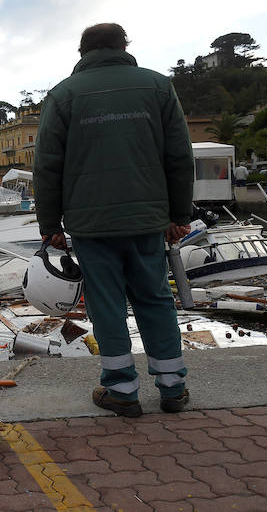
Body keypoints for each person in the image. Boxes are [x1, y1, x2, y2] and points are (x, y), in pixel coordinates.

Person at [34, 23, 194, 417]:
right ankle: (173, 387)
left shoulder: (63, 95)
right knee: (155, 299)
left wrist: (50, 225)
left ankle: (122, 391)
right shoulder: (157, 87)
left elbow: (47, 166)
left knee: (106, 305)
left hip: (91, 223)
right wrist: (179, 215)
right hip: (147, 220)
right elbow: (179, 156)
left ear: (82, 52)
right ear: (124, 47)